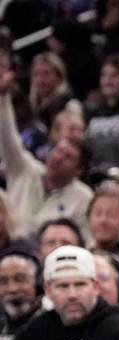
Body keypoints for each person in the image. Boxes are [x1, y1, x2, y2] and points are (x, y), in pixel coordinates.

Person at [0, 66, 93, 240]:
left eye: (68, 157)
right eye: (58, 150)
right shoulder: (24, 168)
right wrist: (3, 97)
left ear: (78, 171)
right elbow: (8, 139)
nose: (58, 157)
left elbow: (84, 240)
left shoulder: (84, 197)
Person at [0, 252, 42, 340]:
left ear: (38, 284)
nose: (12, 289)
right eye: (3, 281)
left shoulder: (54, 324)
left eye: (20, 279)